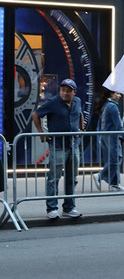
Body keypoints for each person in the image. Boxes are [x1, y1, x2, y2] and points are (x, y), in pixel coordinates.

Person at [32, 78, 84, 219]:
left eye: (68, 91)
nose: (65, 93)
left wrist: (81, 128)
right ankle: (52, 208)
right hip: (58, 145)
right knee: (54, 178)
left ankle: (69, 207)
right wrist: (41, 132)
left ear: (74, 92)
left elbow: (80, 114)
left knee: (72, 178)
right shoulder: (53, 102)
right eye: (63, 90)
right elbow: (36, 115)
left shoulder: (78, 101)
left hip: (73, 144)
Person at [93, 87, 124, 191]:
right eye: (117, 93)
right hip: (113, 137)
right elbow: (118, 125)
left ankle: (114, 184)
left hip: (105, 136)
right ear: (111, 94)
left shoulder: (106, 105)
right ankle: (100, 175)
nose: (119, 96)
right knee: (116, 159)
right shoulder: (113, 107)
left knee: (111, 159)